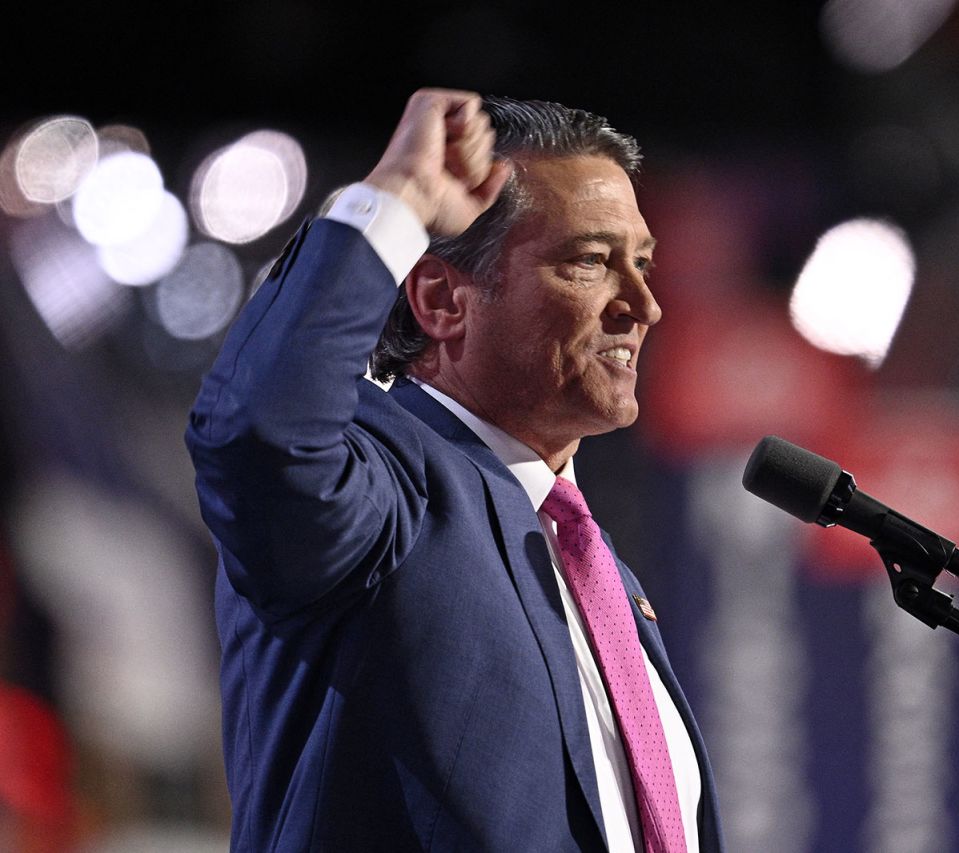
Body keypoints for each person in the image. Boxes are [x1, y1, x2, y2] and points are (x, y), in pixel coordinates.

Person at [186, 88, 723, 851]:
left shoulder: (606, 583)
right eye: (592, 262)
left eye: (641, 262)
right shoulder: (381, 493)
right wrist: (396, 201)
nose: (643, 304)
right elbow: (258, 432)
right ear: (441, 298)